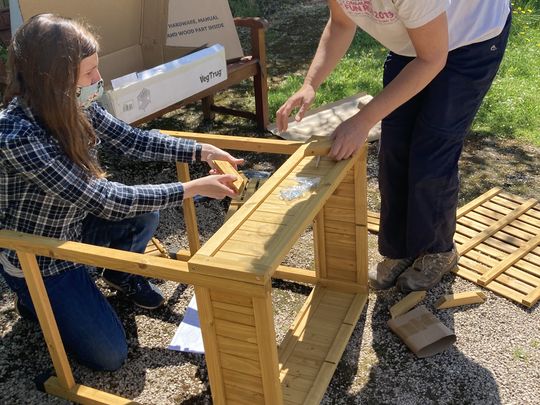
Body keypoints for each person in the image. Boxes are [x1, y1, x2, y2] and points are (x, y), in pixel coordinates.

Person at [0, 14, 243, 371]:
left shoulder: (74, 103)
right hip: (39, 257)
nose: (98, 79)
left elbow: (133, 140)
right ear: (50, 79)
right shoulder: (17, 137)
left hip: (74, 227)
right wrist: (191, 188)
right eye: (88, 73)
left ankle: (117, 275)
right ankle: (33, 298)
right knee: (109, 356)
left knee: (144, 211)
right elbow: (105, 200)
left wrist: (201, 151)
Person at [277, 0, 511, 293]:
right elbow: (341, 22)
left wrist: (363, 121)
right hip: (417, 43)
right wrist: (310, 83)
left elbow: (433, 59)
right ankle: (400, 249)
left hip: (471, 39)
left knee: (432, 151)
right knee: (394, 149)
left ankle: (438, 250)